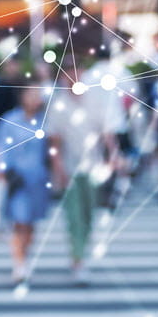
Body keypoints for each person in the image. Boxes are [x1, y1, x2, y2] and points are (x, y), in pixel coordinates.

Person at [55, 61, 113, 285]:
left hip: (94, 168)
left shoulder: (95, 101)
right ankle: (77, 260)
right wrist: (59, 170)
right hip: (71, 169)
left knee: (88, 215)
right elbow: (55, 143)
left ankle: (80, 254)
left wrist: (112, 157)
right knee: (74, 217)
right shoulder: (59, 105)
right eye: (70, 74)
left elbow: (106, 133)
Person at [0, 82, 59, 286]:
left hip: (38, 180)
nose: (34, 98)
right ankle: (19, 263)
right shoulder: (10, 120)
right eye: (31, 94)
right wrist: (2, 172)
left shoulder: (44, 121)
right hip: (17, 179)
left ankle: (25, 257)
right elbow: (1, 148)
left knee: (31, 223)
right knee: (19, 221)